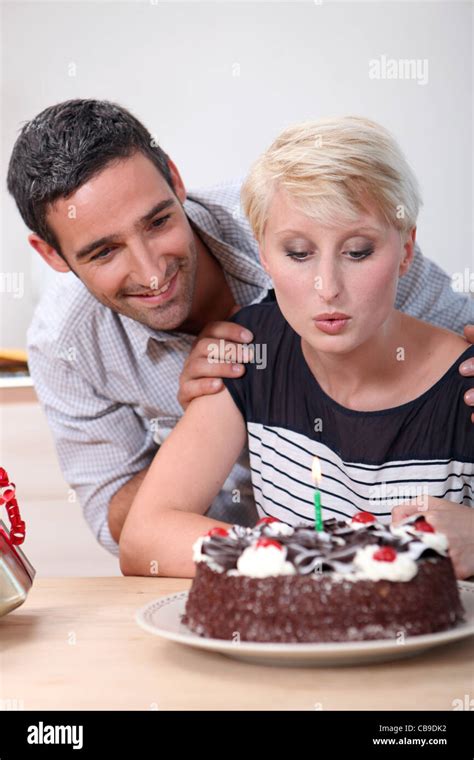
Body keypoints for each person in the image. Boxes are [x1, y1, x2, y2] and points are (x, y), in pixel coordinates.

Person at [6, 100, 474, 559]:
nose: (151, 272)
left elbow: (455, 328)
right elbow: (127, 527)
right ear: (51, 256)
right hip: (249, 576)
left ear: (175, 179)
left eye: (158, 221)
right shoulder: (64, 343)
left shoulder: (301, 210)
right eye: (104, 252)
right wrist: (195, 429)